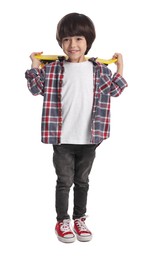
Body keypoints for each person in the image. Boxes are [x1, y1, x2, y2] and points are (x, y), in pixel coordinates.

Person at [25, 12, 128, 243]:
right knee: (64, 182)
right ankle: (63, 221)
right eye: (67, 40)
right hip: (61, 138)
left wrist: (120, 66)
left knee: (82, 181)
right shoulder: (52, 69)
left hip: (90, 138)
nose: (73, 45)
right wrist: (34, 65)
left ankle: (80, 218)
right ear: (61, 43)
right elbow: (35, 88)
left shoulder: (100, 70)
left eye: (79, 39)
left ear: (88, 42)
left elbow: (115, 91)